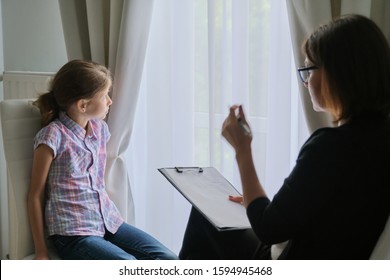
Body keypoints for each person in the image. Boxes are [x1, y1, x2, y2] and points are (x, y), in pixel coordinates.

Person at [179, 14, 390, 260]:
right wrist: (255, 202)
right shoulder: (379, 139)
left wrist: (242, 150)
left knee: (205, 216)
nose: (306, 81)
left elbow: (269, 229)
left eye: (309, 69)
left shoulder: (331, 146)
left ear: (338, 73)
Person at [28, 60, 178, 260]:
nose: (110, 101)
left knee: (168, 259)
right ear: (83, 105)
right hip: (74, 234)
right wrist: (41, 251)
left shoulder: (100, 130)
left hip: (108, 221)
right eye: (105, 95)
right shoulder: (52, 136)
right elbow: (35, 195)